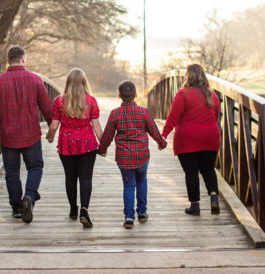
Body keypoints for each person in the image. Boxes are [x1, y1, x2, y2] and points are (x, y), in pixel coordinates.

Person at [0, 45, 52, 223]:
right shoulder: (35, 80)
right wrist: (52, 128)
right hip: (30, 135)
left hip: (8, 135)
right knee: (35, 168)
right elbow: (47, 108)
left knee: (12, 172)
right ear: (23, 59)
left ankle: (17, 208)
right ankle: (29, 196)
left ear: (7, 61)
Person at [98, 80, 167, 229]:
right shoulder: (144, 112)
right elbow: (153, 130)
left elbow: (108, 135)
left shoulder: (115, 114)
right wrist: (162, 143)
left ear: (119, 96)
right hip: (142, 156)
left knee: (129, 184)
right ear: (136, 95)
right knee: (142, 180)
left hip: (124, 158)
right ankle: (142, 212)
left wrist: (102, 149)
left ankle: (129, 217)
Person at [45, 69, 103, 228]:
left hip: (66, 143)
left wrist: (50, 136)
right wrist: (103, 144)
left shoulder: (59, 101)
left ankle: (73, 209)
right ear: (84, 82)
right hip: (87, 143)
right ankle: (84, 210)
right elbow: (96, 125)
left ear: (68, 82)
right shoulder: (91, 101)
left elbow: (54, 125)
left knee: (70, 177)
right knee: (86, 178)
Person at [161, 63, 221, 216]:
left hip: (188, 138)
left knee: (191, 172)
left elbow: (173, 117)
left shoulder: (183, 94)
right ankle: (214, 197)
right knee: (208, 168)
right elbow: (216, 116)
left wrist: (163, 135)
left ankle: (195, 206)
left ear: (188, 76)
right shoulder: (211, 94)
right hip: (210, 136)